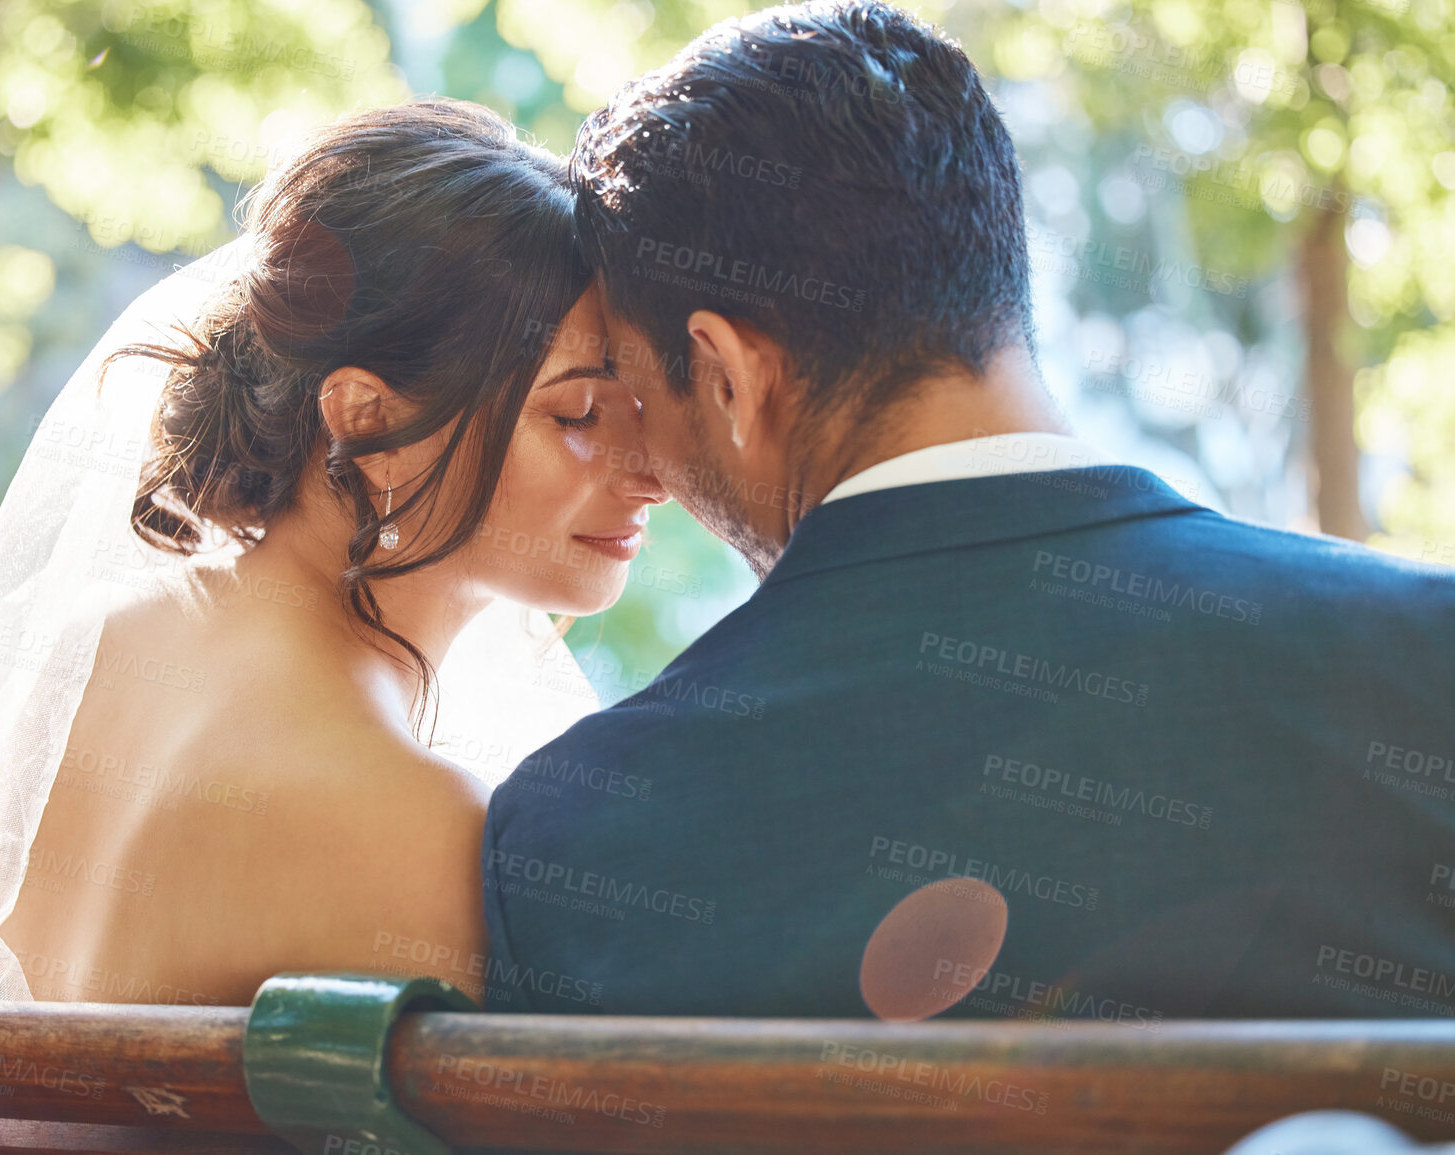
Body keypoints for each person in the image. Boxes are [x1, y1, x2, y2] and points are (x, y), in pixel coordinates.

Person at [481, 0, 1455, 1017]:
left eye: (638, 399)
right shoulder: (1426, 657)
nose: (647, 465)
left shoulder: (579, 832)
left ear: (727, 377)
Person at [0, 99, 664, 1006]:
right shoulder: (411, 826)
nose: (652, 473)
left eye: (643, 404)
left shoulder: (102, 650)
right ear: (367, 417)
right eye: (576, 415)